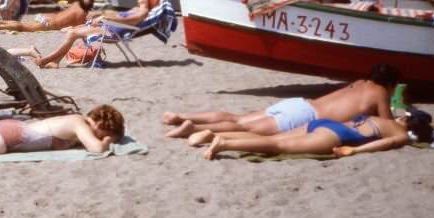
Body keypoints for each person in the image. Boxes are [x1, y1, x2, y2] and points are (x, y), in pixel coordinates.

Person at [163, 64, 400, 140]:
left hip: (298, 104)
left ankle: (183, 116)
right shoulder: (380, 92)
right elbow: (387, 124)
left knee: (237, 118)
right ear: (390, 85)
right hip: (305, 118)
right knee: (245, 129)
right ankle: (193, 129)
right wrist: (400, 117)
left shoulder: (360, 82)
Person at [198, 109, 434, 160]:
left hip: (326, 123)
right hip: (338, 136)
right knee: (279, 147)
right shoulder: (401, 134)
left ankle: (225, 140)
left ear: (405, 117)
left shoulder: (384, 119)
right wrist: (353, 150)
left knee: (276, 140)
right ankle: (225, 144)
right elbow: (384, 144)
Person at [35, 0, 163, 68]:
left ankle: (48, 60)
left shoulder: (142, 12)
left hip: (113, 33)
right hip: (108, 27)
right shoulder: (137, 9)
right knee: (73, 31)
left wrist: (105, 18)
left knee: (72, 33)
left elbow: (127, 22)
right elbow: (118, 16)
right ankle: (55, 61)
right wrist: (101, 15)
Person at [0, 0, 96, 33]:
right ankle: (0, 27)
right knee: (23, 27)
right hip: (48, 23)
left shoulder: (76, 4)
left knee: (24, 23)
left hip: (46, 16)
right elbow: (79, 27)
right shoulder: (82, 14)